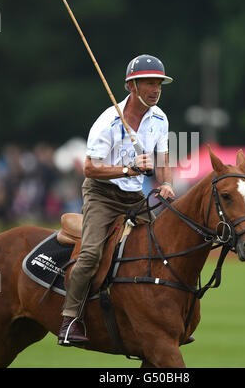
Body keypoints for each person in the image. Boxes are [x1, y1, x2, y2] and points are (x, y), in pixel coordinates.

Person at [58, 54, 175, 347]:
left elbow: (162, 158)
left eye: (159, 83)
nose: (155, 88)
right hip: (102, 194)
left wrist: (167, 183)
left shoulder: (159, 118)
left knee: (162, 248)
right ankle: (69, 319)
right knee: (91, 254)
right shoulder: (108, 121)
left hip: (134, 196)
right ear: (131, 87)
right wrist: (128, 168)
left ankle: (161, 316)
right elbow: (89, 168)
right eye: (148, 82)